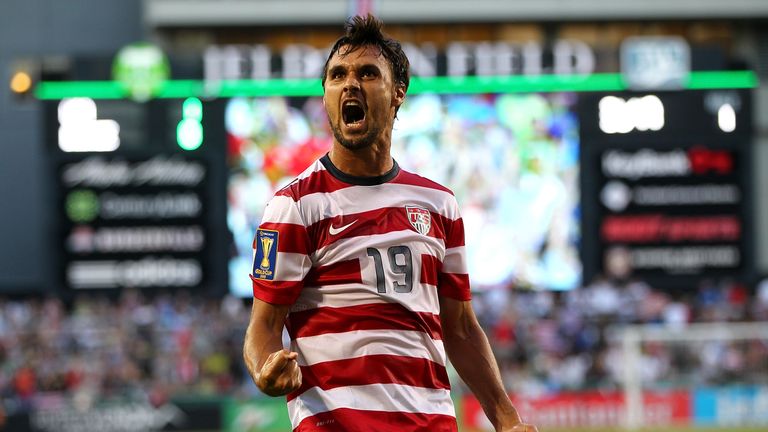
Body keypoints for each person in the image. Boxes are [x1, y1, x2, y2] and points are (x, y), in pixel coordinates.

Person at [243, 14, 537, 432]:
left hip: (432, 423)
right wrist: (264, 369)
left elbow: (462, 329)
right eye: (337, 75)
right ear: (325, 95)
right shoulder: (294, 205)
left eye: (367, 73)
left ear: (398, 93)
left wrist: (506, 418)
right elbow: (263, 326)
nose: (350, 84)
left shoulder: (440, 205)